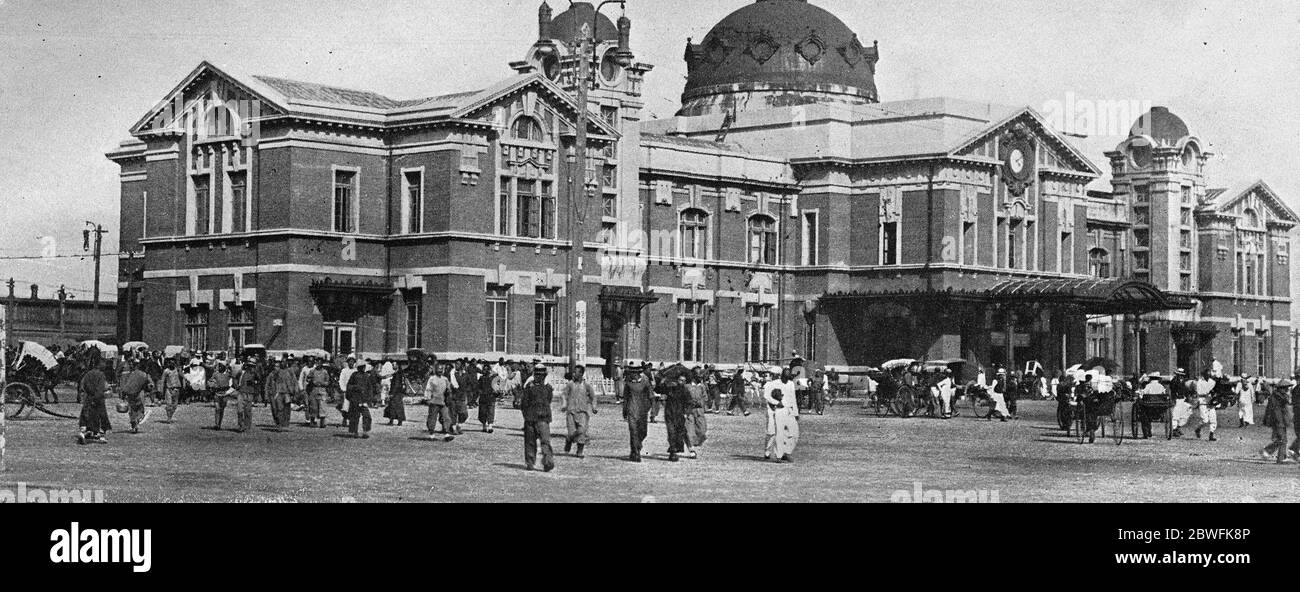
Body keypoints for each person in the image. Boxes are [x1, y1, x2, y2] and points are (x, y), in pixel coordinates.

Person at [518, 364, 556, 472]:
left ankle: (548, 462)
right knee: (530, 441)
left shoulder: (548, 388)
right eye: (537, 374)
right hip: (530, 418)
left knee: (545, 441)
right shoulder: (529, 387)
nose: (539, 377)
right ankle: (530, 462)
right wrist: (526, 416)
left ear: (545, 375)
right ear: (534, 375)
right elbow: (524, 403)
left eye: (542, 375)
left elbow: (548, 400)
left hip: (543, 419)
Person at [560, 365, 598, 458]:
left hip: (583, 412)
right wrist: (564, 404)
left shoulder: (586, 385)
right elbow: (564, 395)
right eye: (573, 372)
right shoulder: (570, 384)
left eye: (576, 372)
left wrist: (594, 407)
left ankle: (579, 451)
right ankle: (569, 439)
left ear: (581, 373)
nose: (574, 374)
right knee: (572, 432)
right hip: (571, 412)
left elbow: (593, 397)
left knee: (582, 431)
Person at [762, 368, 799, 463]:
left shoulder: (791, 384)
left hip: (789, 410)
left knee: (794, 433)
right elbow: (766, 395)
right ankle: (779, 455)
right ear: (781, 375)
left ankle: (787, 451)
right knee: (779, 433)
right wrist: (776, 402)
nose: (787, 378)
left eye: (788, 376)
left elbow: (793, 398)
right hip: (779, 410)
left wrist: (796, 412)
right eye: (785, 376)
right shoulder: (774, 383)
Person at [76, 359, 112, 445]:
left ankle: (85, 432)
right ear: (99, 365)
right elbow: (100, 389)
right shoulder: (101, 375)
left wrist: (89, 395)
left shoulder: (88, 374)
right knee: (101, 416)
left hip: (88, 397)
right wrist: (96, 398)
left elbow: (84, 385)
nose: (105, 366)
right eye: (104, 364)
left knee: (86, 415)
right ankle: (100, 435)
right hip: (98, 399)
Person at [621, 363, 652, 462]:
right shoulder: (628, 384)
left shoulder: (645, 382)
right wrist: (625, 411)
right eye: (631, 373)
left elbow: (651, 396)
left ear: (639, 373)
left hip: (642, 411)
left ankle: (636, 446)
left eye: (635, 373)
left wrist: (648, 407)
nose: (633, 375)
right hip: (632, 410)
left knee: (643, 432)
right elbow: (625, 399)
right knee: (633, 432)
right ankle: (636, 453)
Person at [660, 367, 691, 462]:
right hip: (669, 413)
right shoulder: (670, 388)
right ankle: (673, 453)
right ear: (677, 380)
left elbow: (689, 403)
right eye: (681, 380)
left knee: (679, 433)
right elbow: (658, 389)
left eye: (684, 381)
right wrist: (662, 381)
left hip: (680, 414)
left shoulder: (685, 391)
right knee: (671, 432)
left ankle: (676, 447)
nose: (682, 382)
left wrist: (686, 413)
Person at [1261, 378, 1295, 463]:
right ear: (1281, 388)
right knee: (1282, 440)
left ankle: (1271, 452)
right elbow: (1276, 411)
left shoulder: (1275, 396)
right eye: (1286, 388)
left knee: (1280, 439)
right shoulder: (1279, 397)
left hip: (1278, 421)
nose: (1287, 389)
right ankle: (1279, 458)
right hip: (1279, 421)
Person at [118, 361, 154, 434]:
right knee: (140, 410)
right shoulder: (145, 375)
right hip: (139, 394)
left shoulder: (132, 373)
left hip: (130, 395)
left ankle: (134, 426)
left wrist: (123, 395)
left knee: (132, 410)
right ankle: (136, 421)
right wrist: (148, 389)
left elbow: (126, 385)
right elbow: (151, 386)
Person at [423, 364, 454, 440]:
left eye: (441, 369)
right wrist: (427, 399)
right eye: (438, 369)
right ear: (435, 370)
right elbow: (428, 389)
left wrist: (449, 392)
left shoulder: (445, 379)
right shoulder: (432, 379)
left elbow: (448, 388)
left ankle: (447, 434)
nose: (440, 371)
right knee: (432, 418)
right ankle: (431, 435)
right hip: (434, 401)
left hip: (443, 402)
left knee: (446, 417)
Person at [345, 362, 376, 438]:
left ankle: (365, 431)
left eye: (364, 366)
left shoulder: (367, 376)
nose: (363, 368)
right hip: (355, 399)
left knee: (367, 416)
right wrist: (356, 388)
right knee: (354, 416)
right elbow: (349, 386)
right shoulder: (354, 375)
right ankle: (354, 431)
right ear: (358, 367)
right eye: (362, 366)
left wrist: (370, 398)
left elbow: (370, 388)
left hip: (363, 399)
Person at [266, 358, 299, 429]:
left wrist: (293, 392)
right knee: (277, 409)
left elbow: (292, 382)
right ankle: (279, 423)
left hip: (286, 393)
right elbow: (269, 383)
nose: (276, 368)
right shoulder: (274, 373)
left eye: (278, 366)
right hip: (277, 393)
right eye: (275, 366)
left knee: (286, 408)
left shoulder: (288, 372)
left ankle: (285, 423)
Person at [234, 355, 260, 433]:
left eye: (252, 366)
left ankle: (247, 426)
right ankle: (241, 425)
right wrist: (236, 386)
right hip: (241, 392)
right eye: (249, 365)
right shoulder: (241, 371)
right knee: (240, 410)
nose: (251, 367)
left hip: (250, 393)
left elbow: (259, 382)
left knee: (248, 411)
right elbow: (235, 378)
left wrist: (254, 383)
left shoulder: (255, 373)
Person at [684, 370, 707, 458]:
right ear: (694, 376)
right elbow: (682, 398)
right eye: (699, 375)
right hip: (689, 411)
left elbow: (705, 398)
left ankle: (694, 442)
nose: (701, 377)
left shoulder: (702, 386)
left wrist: (700, 402)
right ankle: (691, 449)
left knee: (702, 430)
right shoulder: (687, 387)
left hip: (699, 411)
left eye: (702, 376)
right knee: (689, 430)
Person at [1193, 369, 1219, 441]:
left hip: (1211, 402)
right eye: (1206, 374)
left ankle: (1211, 434)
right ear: (1204, 375)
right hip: (1203, 401)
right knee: (1205, 420)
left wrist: (1214, 394)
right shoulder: (1200, 382)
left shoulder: (1212, 382)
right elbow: (1198, 392)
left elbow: (1215, 390)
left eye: (1209, 374)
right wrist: (1206, 393)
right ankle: (1198, 429)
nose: (1208, 376)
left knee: (1213, 419)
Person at [306, 359, 331, 428]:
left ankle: (322, 422)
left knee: (322, 406)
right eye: (317, 363)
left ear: (322, 364)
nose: (318, 364)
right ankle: (312, 421)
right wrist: (312, 381)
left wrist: (323, 383)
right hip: (314, 390)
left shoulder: (325, 372)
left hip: (322, 390)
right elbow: (307, 379)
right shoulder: (312, 371)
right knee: (313, 406)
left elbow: (328, 381)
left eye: (319, 363)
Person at [384, 362, 409, 427]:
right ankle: (394, 420)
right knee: (394, 406)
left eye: (393, 365)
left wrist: (392, 393)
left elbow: (396, 384)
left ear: (397, 365)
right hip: (398, 392)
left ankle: (396, 421)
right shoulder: (398, 373)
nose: (392, 366)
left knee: (395, 407)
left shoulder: (398, 374)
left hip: (396, 393)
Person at [1170, 368, 1192, 438]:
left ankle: (1178, 427)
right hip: (1177, 399)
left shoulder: (1183, 381)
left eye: (1181, 375)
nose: (1180, 376)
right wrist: (1174, 399)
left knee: (1186, 413)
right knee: (1176, 415)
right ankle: (1174, 429)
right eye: (1179, 375)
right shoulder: (1174, 381)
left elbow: (1186, 390)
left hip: (1183, 399)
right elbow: (1173, 391)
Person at [477, 360, 497, 433]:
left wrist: (497, 391)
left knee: (491, 411)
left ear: (489, 370)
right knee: (483, 412)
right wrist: (480, 392)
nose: (485, 371)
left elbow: (498, 386)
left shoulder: (493, 378)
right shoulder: (481, 378)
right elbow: (478, 387)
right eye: (484, 369)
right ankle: (484, 425)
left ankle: (490, 426)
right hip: (483, 397)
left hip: (491, 397)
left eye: (487, 369)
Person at [160, 358, 182, 423]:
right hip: (169, 389)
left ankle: (171, 415)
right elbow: (162, 380)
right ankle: (169, 418)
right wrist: (161, 390)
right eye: (170, 363)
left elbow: (182, 377)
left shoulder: (177, 370)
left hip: (177, 388)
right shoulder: (166, 371)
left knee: (174, 405)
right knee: (168, 404)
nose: (172, 364)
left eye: (173, 363)